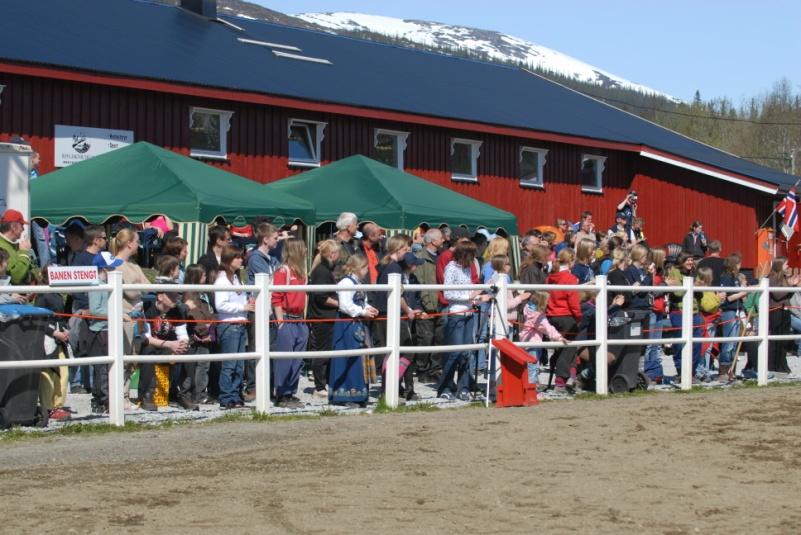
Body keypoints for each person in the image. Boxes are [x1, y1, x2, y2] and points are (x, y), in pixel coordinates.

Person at [436, 240, 489, 401]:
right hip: (456, 314)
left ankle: (463, 387)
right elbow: (448, 294)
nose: (474, 259)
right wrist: (470, 295)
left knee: (468, 353)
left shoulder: (467, 268)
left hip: (469, 313)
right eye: (472, 255)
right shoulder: (451, 268)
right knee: (455, 352)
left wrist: (478, 297)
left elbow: (468, 291)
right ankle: (445, 386)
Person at [330, 254, 378, 407]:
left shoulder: (358, 282)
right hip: (347, 325)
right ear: (357, 268)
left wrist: (369, 309)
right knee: (348, 358)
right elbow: (344, 305)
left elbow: (362, 302)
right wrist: (363, 312)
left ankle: (360, 395)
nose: (366, 270)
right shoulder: (346, 282)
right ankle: (345, 396)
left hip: (358, 324)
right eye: (364, 267)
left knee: (360, 358)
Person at [111, 228, 149, 408]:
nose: (138, 245)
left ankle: (126, 395)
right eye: (137, 241)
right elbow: (132, 291)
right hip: (124, 318)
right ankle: (121, 397)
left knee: (133, 359)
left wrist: (137, 286)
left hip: (138, 319)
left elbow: (148, 287)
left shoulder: (134, 266)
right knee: (123, 358)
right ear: (129, 243)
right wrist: (137, 286)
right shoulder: (115, 265)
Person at [138, 281, 191, 411]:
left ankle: (182, 393)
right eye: (172, 295)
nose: (176, 298)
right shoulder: (147, 308)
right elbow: (145, 338)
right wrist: (170, 345)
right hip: (151, 345)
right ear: (160, 296)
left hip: (168, 347)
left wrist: (181, 346)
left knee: (188, 352)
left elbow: (183, 335)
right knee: (148, 351)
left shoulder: (178, 310)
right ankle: (147, 395)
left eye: (177, 295)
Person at [243, 222, 281, 400]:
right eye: (275, 237)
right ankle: (253, 387)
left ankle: (268, 384)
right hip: (258, 308)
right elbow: (270, 279)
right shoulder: (255, 258)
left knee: (271, 347)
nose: (277, 240)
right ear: (265, 239)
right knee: (256, 346)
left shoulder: (273, 259)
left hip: (271, 309)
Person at [214, 244, 254, 409]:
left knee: (239, 365)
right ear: (229, 259)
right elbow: (220, 305)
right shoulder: (222, 280)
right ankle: (226, 397)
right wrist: (243, 307)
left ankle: (236, 395)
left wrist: (247, 303)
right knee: (230, 364)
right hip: (229, 325)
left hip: (239, 324)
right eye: (237, 257)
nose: (241, 259)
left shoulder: (237, 278)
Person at [86, 252, 126, 414]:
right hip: (100, 330)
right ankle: (102, 400)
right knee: (102, 368)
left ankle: (107, 399)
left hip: (108, 328)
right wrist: (117, 312)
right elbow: (95, 309)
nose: (114, 268)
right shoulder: (96, 284)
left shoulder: (105, 283)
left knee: (108, 366)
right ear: (103, 268)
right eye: (111, 266)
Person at [271, 238, 309, 408]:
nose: (306, 251)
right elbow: (277, 297)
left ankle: (291, 391)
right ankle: (281, 393)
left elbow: (305, 296)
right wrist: (280, 322)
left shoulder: (301, 273)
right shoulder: (283, 271)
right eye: (303, 248)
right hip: (286, 318)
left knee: (297, 359)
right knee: (285, 359)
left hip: (299, 319)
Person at [545, 248, 583, 393]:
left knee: (565, 348)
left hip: (552, 316)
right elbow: (573, 302)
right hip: (567, 316)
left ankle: (569, 378)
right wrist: (579, 317)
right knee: (568, 349)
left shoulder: (550, 278)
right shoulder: (570, 279)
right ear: (571, 261)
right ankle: (561, 381)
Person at [307, 240, 340, 398]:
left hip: (325, 317)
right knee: (322, 352)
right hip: (322, 317)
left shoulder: (323, 270)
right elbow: (320, 296)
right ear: (333, 254)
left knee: (325, 351)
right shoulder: (322, 271)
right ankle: (319, 386)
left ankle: (323, 383)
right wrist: (339, 304)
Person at [414, 228, 444, 382]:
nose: (444, 240)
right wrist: (426, 302)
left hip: (440, 303)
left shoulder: (441, 258)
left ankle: (435, 368)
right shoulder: (420, 258)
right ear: (433, 241)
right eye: (441, 237)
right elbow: (419, 282)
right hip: (427, 305)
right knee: (425, 338)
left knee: (439, 337)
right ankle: (422, 369)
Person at [182, 264, 216, 405]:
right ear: (195, 277)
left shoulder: (201, 294)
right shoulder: (190, 295)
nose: (205, 277)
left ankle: (199, 393)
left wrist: (211, 326)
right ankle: (197, 394)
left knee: (202, 365)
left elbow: (208, 314)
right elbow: (194, 316)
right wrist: (204, 332)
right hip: (196, 338)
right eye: (203, 275)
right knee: (198, 366)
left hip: (203, 336)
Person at [767, 257, 799, 373]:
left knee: (784, 340)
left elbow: (787, 296)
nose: (788, 266)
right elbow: (778, 295)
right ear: (780, 265)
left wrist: (793, 287)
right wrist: (791, 287)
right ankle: (773, 366)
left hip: (784, 311)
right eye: (786, 264)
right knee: (775, 340)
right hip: (775, 311)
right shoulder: (772, 278)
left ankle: (782, 365)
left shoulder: (783, 278)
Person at [0, 209, 35, 285]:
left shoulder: (14, 245)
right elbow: (16, 278)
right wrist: (24, 253)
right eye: (22, 225)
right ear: (13, 227)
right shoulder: (1, 247)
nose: (23, 229)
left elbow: (31, 270)